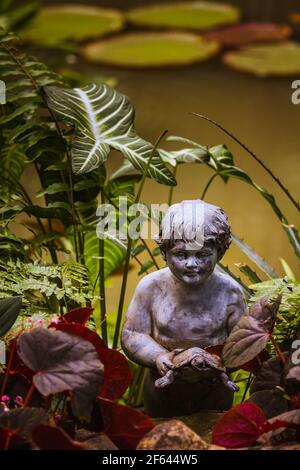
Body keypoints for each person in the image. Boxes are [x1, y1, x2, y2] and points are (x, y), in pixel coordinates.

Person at [121, 200, 246, 417]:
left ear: (220, 251)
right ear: (165, 251)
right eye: (181, 255)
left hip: (215, 391)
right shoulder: (151, 287)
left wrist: (222, 363)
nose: (191, 263)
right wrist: (158, 356)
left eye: (202, 254)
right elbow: (133, 334)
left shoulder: (230, 292)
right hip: (163, 390)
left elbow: (244, 342)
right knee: (162, 441)